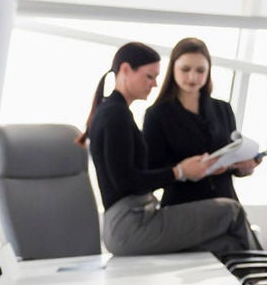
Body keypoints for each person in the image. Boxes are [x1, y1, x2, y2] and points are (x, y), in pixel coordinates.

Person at [80, 41, 254, 260]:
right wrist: (179, 171)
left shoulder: (116, 112)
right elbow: (126, 181)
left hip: (138, 215)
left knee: (227, 244)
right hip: (131, 222)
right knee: (232, 211)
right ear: (125, 70)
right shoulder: (117, 115)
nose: (154, 84)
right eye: (149, 76)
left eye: (200, 70)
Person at [143, 37, 262, 215]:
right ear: (173, 68)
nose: (193, 77)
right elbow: (152, 173)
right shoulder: (157, 114)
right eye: (185, 69)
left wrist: (244, 167)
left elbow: (231, 156)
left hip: (225, 205)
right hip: (183, 209)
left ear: (208, 72)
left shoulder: (223, 109)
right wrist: (184, 170)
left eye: (200, 70)